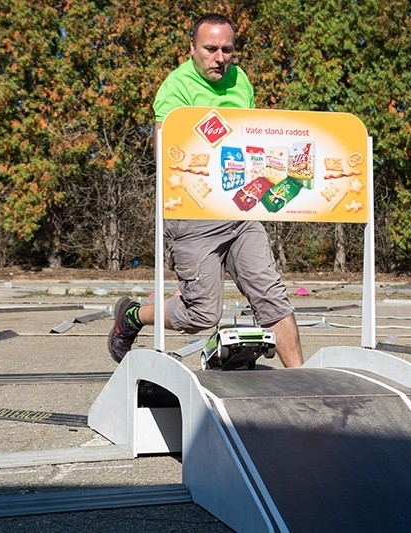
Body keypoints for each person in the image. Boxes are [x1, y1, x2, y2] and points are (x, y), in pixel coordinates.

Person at [108, 13, 303, 368]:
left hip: (240, 210)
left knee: (272, 297)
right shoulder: (176, 87)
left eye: (227, 49)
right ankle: (133, 315)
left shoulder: (241, 81)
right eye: (210, 49)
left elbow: (251, 139)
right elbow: (165, 155)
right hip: (193, 212)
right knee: (201, 314)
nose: (220, 58)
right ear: (192, 48)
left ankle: (302, 382)